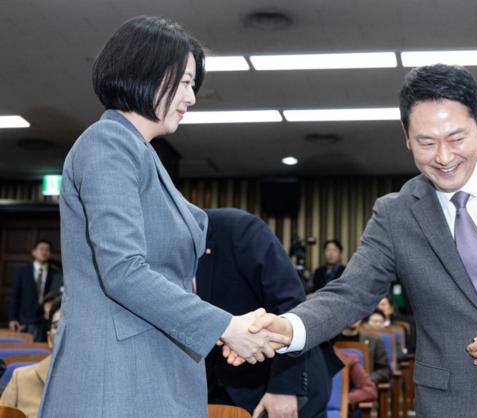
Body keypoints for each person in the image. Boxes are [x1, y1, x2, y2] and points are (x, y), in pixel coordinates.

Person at [244, 64, 477, 418]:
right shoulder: (395, 214)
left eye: (456, 138)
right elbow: (350, 293)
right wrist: (291, 327)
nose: (444, 157)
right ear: (406, 138)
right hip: (451, 402)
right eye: (427, 143)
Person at [38, 16, 287, 418]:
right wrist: (227, 327)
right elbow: (123, 271)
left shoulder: (142, 154)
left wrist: (232, 327)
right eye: (185, 82)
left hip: (150, 368)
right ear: (147, 72)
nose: (191, 97)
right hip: (116, 378)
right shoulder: (108, 143)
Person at [196, 208, 342, 417]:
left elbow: (291, 304)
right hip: (213, 388)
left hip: (279, 380)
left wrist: (284, 387)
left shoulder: (238, 228)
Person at [0, 297, 61, 418]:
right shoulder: (21, 379)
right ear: (49, 338)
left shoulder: (96, 386)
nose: (63, 333)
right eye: (57, 326)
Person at [8, 240, 62, 341]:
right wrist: (13, 318)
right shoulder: (23, 272)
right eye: (41, 249)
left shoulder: (55, 274)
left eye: (47, 250)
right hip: (25, 321)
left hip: (46, 322)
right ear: (34, 252)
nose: (44, 252)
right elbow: (15, 297)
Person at [333, 321, 390, 385]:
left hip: (365, 384)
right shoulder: (331, 342)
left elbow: (384, 370)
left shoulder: (374, 340)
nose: (353, 319)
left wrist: (367, 379)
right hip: (337, 385)